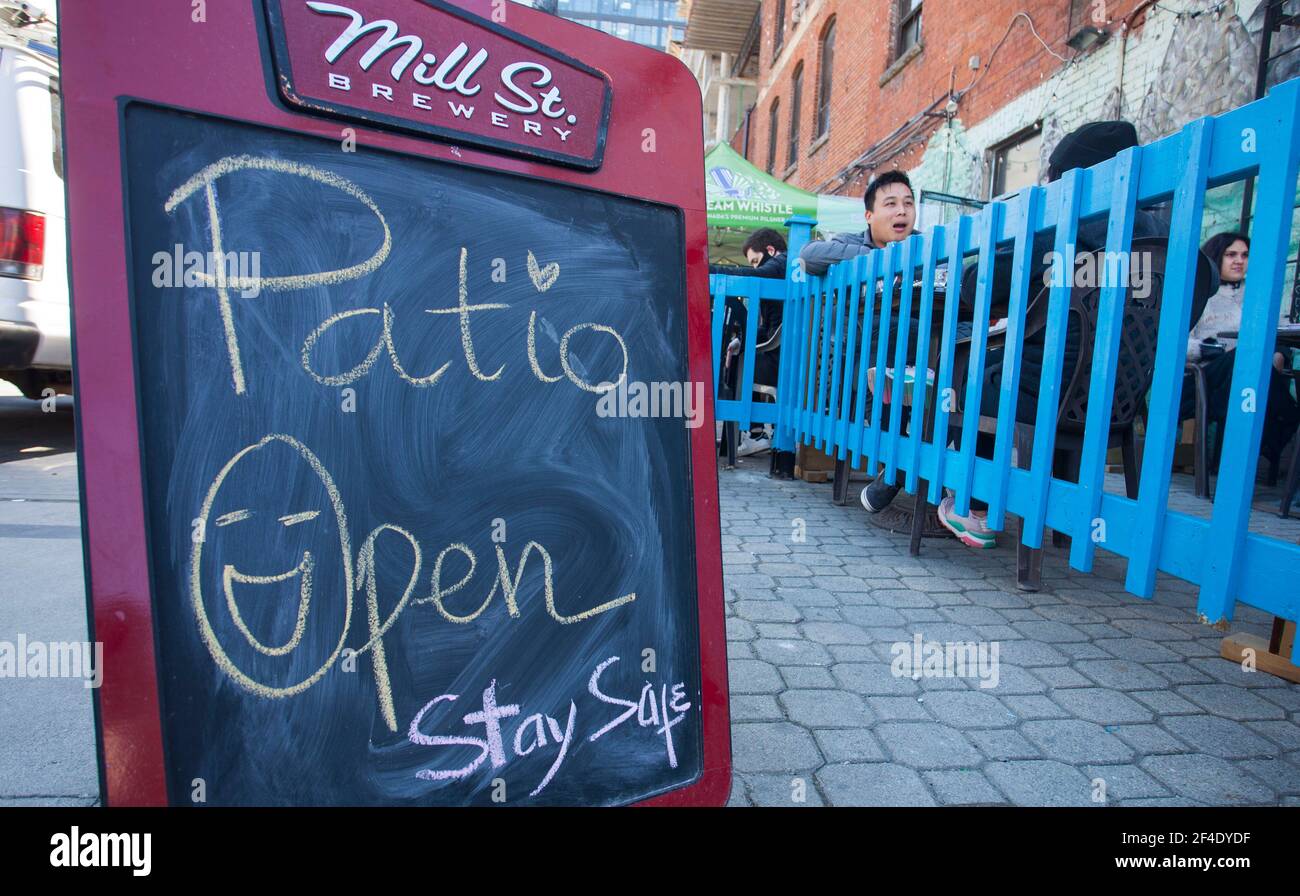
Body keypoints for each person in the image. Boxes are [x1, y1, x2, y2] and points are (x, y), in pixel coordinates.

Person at [938, 120, 1170, 548]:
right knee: (1017, 366)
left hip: (1048, 391)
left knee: (978, 373)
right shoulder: (1166, 240)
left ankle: (976, 506)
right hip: (1121, 398)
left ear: (1070, 179)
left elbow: (976, 286)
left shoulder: (1062, 230)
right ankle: (1064, 519)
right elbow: (1200, 288)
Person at [799, 170, 922, 512]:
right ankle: (899, 461)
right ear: (869, 215)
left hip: (919, 357)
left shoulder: (926, 247)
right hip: (859, 360)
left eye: (908, 203)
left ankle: (902, 464)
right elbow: (808, 256)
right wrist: (879, 260)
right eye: (891, 204)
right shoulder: (851, 244)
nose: (902, 211)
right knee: (887, 330)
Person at [1180, 232, 1300, 469]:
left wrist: (1278, 354)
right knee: (1242, 359)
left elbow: (1279, 330)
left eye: (1245, 255)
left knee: (1249, 364)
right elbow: (1178, 345)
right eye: (1231, 254)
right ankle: (1284, 423)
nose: (1239, 260)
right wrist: (1213, 350)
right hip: (1203, 379)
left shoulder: (1258, 296)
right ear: (1216, 256)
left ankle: (1238, 459)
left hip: (1244, 379)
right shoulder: (1199, 293)